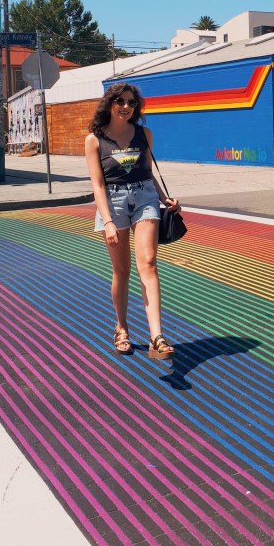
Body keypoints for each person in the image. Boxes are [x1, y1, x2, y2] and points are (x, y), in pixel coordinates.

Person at [85, 81, 181, 359]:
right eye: (121, 102)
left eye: (131, 103)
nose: (127, 107)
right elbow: (98, 184)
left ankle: (156, 337)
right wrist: (108, 220)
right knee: (122, 271)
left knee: (148, 262)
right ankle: (122, 327)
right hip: (112, 203)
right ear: (110, 104)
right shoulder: (94, 139)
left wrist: (164, 199)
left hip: (144, 198)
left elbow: (147, 172)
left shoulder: (144, 134)